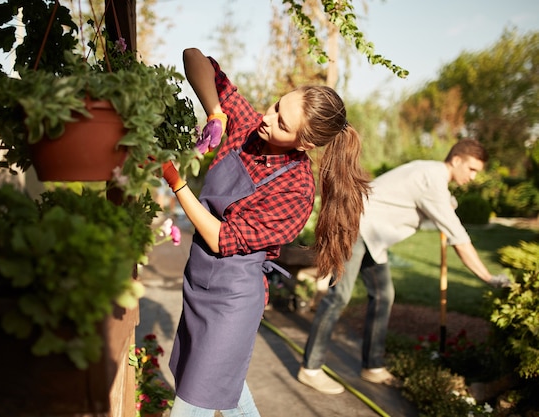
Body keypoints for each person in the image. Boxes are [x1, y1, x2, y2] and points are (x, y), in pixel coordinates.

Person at [159, 47, 370, 416]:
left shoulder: (297, 191)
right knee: (226, 387)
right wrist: (216, 113)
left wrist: (175, 181)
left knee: (192, 403)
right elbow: (196, 58)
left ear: (304, 144)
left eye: (283, 124)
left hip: (232, 300)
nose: (268, 119)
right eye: (276, 107)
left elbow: (221, 238)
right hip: (200, 281)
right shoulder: (249, 127)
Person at [298, 138, 510, 392]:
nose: (474, 177)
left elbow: (415, 211)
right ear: (456, 160)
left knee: (384, 294)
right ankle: (310, 368)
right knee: (338, 297)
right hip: (356, 227)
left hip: (373, 236)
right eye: (472, 169)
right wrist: (488, 277)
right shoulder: (432, 180)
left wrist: (446, 206)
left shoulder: (431, 174)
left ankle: (372, 366)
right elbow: (460, 239)